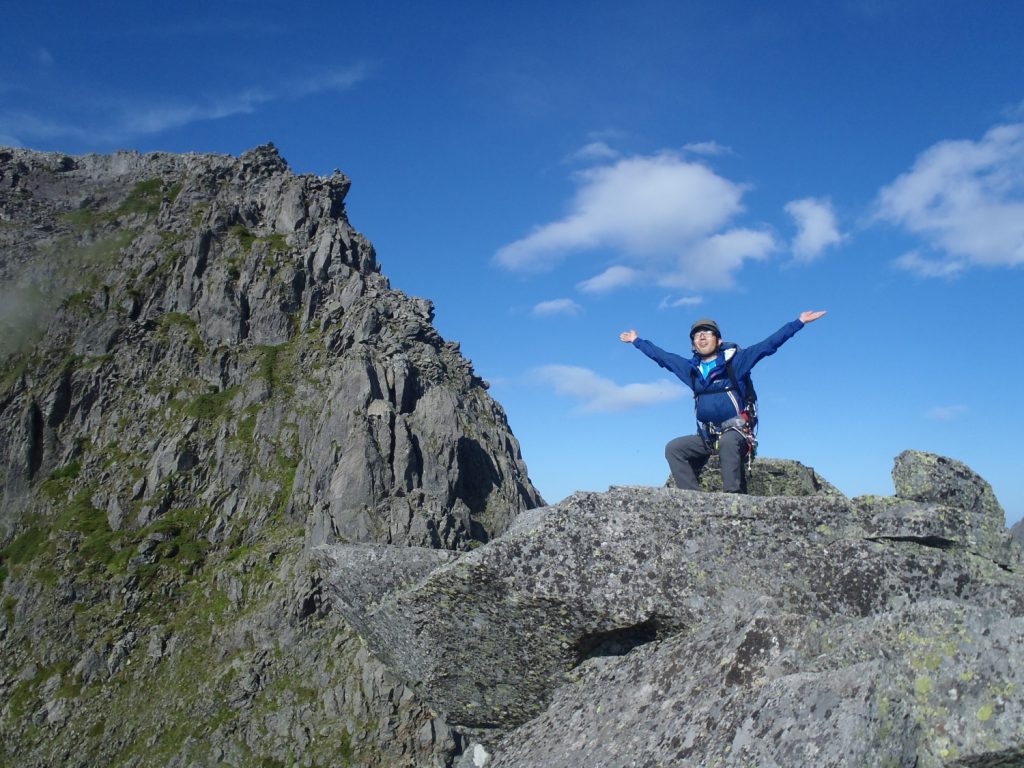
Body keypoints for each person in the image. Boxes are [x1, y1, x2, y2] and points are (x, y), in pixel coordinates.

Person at [619, 311, 827, 492]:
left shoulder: (737, 361)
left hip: (736, 434)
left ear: (718, 341)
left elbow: (768, 345)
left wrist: (798, 322)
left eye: (707, 332)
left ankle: (731, 496)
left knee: (728, 441)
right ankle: (693, 498)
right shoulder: (691, 370)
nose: (701, 336)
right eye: (697, 335)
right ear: (693, 344)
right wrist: (637, 341)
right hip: (707, 436)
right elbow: (663, 358)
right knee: (674, 448)